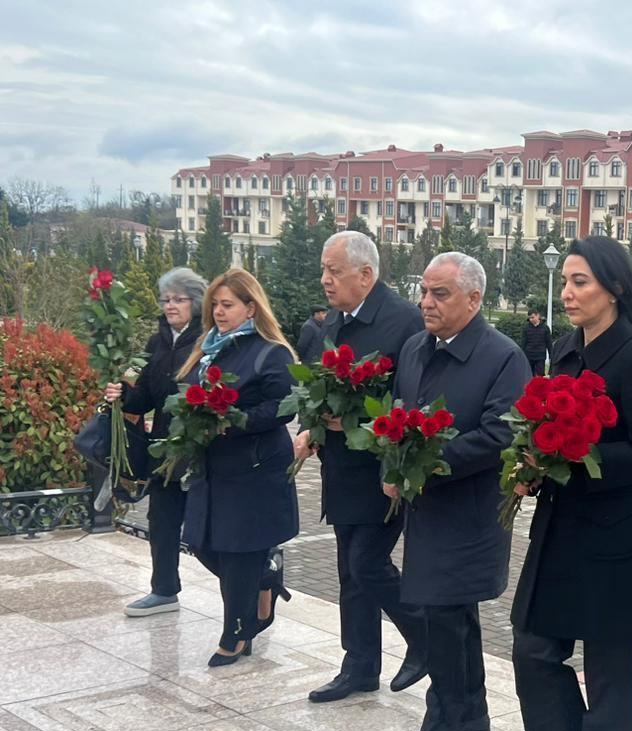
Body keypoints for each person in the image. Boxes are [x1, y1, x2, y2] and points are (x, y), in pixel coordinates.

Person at [510, 235, 632, 731]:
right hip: (559, 528)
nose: (569, 292)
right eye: (567, 281)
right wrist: (534, 460)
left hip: (612, 539)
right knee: (531, 648)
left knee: (610, 677)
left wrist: (577, 454)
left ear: (614, 288)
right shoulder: (566, 347)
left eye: (580, 282)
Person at [388, 252, 531, 731]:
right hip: (425, 508)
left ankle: (440, 721)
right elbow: (398, 419)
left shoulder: (503, 357)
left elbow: (500, 434)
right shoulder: (413, 349)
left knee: (442, 613)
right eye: (423, 291)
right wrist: (396, 463)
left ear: (474, 299)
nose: (426, 302)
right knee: (452, 614)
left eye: (440, 294)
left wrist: (425, 465)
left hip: (471, 511)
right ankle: (472, 713)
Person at [293, 231, 427, 702]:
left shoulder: (404, 322)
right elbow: (324, 386)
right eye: (324, 270)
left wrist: (358, 418)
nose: (325, 279)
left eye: (334, 270)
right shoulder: (335, 321)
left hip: (382, 470)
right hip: (341, 468)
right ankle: (359, 666)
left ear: (366, 275)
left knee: (367, 563)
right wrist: (313, 427)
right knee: (349, 571)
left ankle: (424, 637)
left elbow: (412, 399)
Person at [177, 269, 300, 666]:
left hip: (254, 468)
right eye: (214, 304)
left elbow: (285, 406)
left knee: (238, 552)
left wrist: (236, 420)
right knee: (202, 543)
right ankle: (266, 578)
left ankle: (236, 635)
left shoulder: (271, 351)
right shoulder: (210, 347)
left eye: (227, 304)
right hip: (212, 467)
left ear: (251, 307)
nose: (218, 312)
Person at [106, 267, 207, 617]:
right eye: (166, 299)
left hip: (198, 447)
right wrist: (122, 395)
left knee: (203, 530)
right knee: (161, 520)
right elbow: (143, 397)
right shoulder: (156, 341)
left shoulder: (208, 340)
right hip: (162, 447)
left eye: (179, 299)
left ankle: (253, 582)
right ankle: (164, 589)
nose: (170, 306)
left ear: (195, 303)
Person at [521, 309, 552, 377]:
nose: (531, 319)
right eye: (529, 318)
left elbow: (549, 343)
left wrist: (551, 355)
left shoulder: (545, 328)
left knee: (540, 375)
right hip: (529, 355)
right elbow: (523, 343)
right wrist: (522, 355)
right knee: (528, 375)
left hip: (540, 356)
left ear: (538, 316)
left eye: (532, 317)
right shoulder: (526, 328)